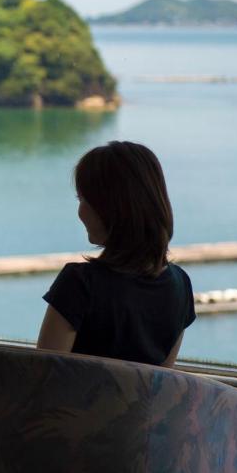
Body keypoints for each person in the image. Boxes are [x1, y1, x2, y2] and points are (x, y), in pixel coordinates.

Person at [36, 141, 195, 367]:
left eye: (82, 200)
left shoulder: (79, 284)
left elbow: (43, 376)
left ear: (109, 209)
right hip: (143, 404)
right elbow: (163, 380)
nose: (80, 211)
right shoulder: (181, 285)